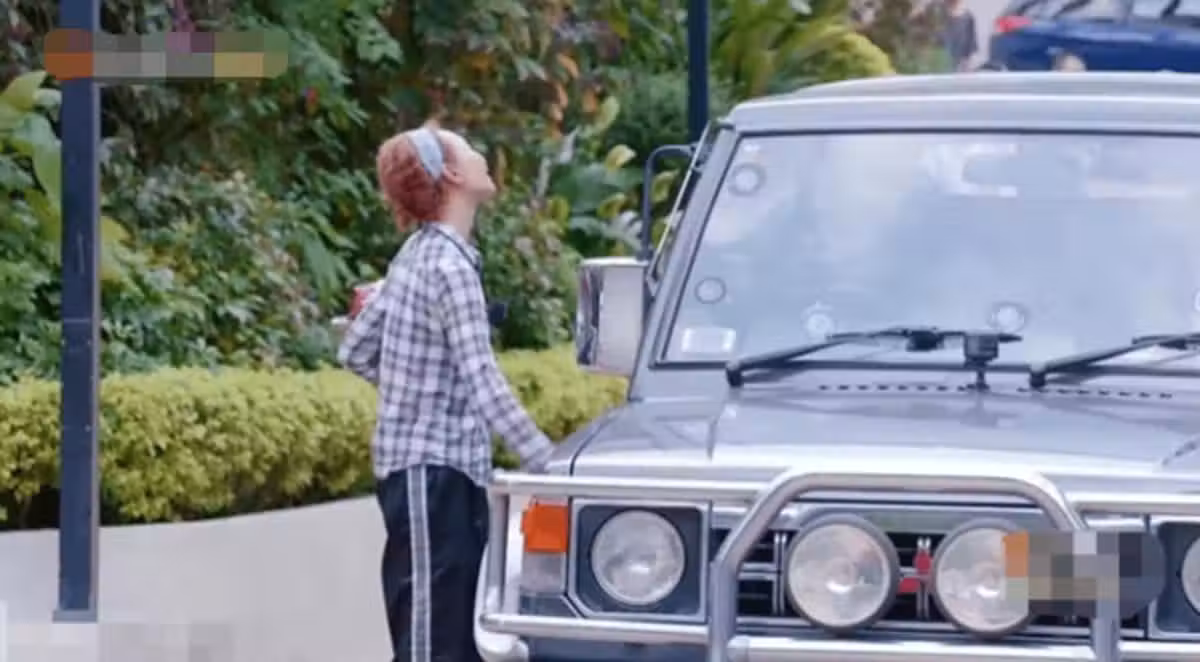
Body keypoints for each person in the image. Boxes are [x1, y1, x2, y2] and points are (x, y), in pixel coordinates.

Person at [337, 123, 555, 662]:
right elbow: (484, 381)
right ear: (452, 174)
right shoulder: (449, 267)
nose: (482, 155)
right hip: (433, 476)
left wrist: (416, 392)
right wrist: (550, 464)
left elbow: (355, 349)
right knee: (433, 638)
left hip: (435, 475)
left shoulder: (416, 255)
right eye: (470, 149)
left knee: (452, 633)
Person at [942, 0, 979, 72]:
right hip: (937, 68)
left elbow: (970, 49)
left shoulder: (968, 18)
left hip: (958, 69)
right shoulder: (936, 15)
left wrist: (967, 67)